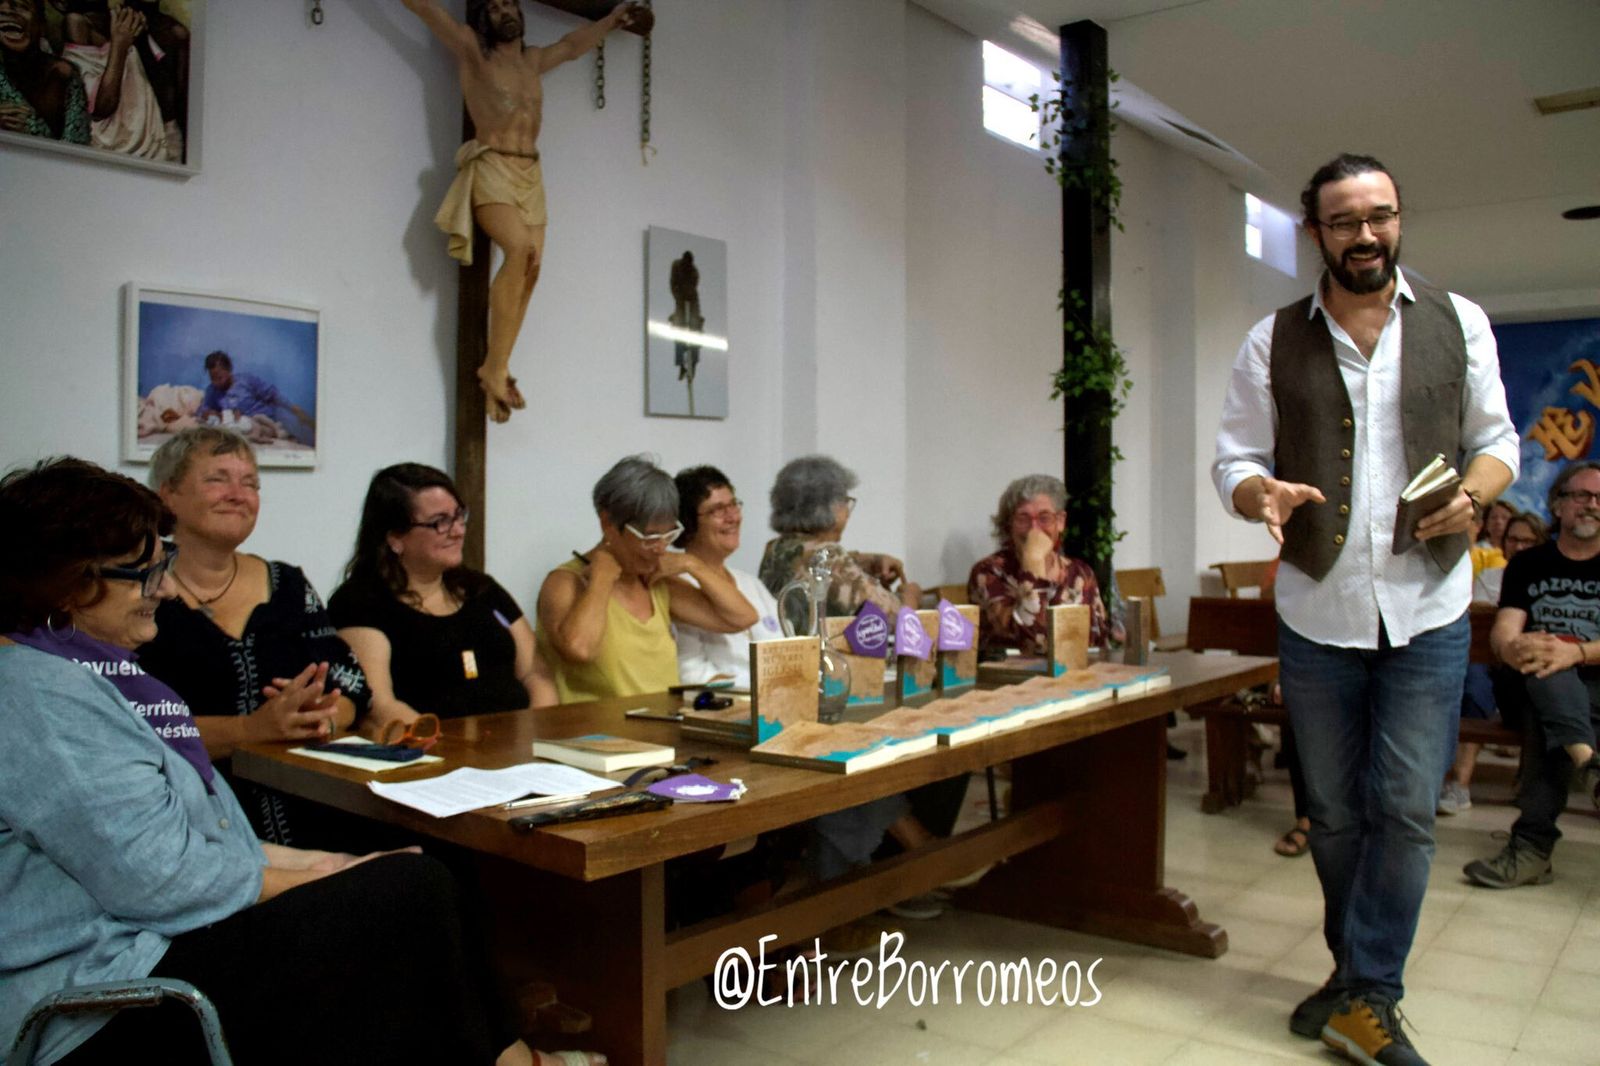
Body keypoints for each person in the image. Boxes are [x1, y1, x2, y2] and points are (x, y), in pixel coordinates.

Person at [0, 457, 547, 1066]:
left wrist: (344, 865)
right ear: (70, 584)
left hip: (158, 942)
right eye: (144, 571)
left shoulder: (89, 676)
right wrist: (330, 876)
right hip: (109, 997)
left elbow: (209, 840)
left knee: (414, 878)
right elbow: (163, 881)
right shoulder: (37, 693)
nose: (161, 586)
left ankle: (508, 1057)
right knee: (411, 892)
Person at [1212, 153, 1517, 1064]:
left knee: (1407, 807)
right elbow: (1232, 459)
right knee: (1335, 811)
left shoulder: (1460, 323)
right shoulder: (1272, 340)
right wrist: (1256, 493)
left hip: (1429, 603)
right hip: (1318, 606)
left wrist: (1474, 492)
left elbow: (1497, 439)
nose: (1366, 235)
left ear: (1398, 219)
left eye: (1379, 216)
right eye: (1344, 221)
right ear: (1316, 233)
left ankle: (1369, 990)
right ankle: (1357, 982)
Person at [400, 0, 650, 423]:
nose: (505, 11)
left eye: (510, 4)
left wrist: (611, 20)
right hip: (493, 163)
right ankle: (494, 368)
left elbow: (572, 45)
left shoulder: (533, 61)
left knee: (532, 269)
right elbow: (428, 11)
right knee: (518, 250)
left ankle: (497, 366)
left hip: (531, 172)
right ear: (486, 19)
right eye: (495, 7)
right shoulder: (472, 52)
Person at [134, 428, 370, 845]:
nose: (238, 494)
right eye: (217, 479)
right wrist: (249, 730)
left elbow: (352, 681)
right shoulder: (136, 594)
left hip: (315, 809)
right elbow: (126, 727)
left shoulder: (288, 584)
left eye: (250, 483)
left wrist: (321, 716)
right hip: (193, 829)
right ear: (168, 495)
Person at [331, 463, 554, 733]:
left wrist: (538, 736)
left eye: (459, 516)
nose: (458, 530)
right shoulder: (361, 604)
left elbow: (535, 671)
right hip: (433, 757)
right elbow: (379, 707)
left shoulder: (482, 589)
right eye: (440, 522)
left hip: (518, 752)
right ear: (395, 538)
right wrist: (451, 754)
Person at [1464, 464, 1600, 888]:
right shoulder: (1529, 564)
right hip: (1529, 683)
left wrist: (1574, 652)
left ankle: (1532, 850)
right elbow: (1505, 631)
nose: (1592, 504)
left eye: (1599, 498)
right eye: (1581, 495)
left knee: (1552, 703)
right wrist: (1515, 647)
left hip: (1592, 684)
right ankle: (1591, 767)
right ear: (1558, 504)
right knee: (1544, 672)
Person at [536, 455, 756, 703]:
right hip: (597, 737)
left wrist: (691, 564)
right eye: (649, 537)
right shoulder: (565, 582)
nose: (661, 548)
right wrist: (601, 580)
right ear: (607, 522)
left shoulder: (652, 581)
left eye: (669, 534)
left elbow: (742, 617)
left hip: (664, 731)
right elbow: (580, 649)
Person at [1441, 510, 1549, 815]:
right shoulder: (1488, 575)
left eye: (1527, 541)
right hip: (1485, 657)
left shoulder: (1547, 577)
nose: (1518, 547)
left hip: (1529, 666)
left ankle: (1526, 783)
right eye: (1513, 540)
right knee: (1471, 685)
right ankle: (1457, 782)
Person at [758, 454, 922, 629]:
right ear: (828, 508)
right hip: (822, 655)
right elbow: (895, 621)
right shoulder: (831, 559)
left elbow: (806, 560)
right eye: (845, 502)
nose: (848, 512)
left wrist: (865, 560)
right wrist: (911, 597)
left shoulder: (775, 548)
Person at [966, 473, 1115, 659]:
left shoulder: (1080, 573)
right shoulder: (988, 573)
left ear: (1060, 522)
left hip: (1077, 679)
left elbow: (1100, 644)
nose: (1033, 529)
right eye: (1023, 518)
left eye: (1044, 518)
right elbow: (1034, 645)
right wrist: (1033, 563)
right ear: (1008, 525)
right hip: (1011, 682)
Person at [671, 465, 783, 687]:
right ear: (689, 525)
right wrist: (760, 692)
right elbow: (692, 674)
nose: (732, 517)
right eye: (717, 510)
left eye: (733, 504)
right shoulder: (679, 587)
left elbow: (786, 649)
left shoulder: (751, 583)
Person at [57, 0, 172, 159]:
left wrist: (141, 37)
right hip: (110, 150)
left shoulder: (120, 17)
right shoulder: (76, 22)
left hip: (149, 144)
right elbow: (101, 108)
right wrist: (120, 44)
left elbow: (163, 94)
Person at [0, 0, 90, 143]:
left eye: (21, 6)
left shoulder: (63, 75)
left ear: (41, 26)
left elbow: (77, 146)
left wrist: (31, 130)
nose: (8, 12)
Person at [194, 350, 314, 442]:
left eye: (219, 377)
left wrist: (292, 408)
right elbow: (202, 409)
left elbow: (272, 394)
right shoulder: (212, 390)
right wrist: (210, 413)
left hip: (268, 416)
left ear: (229, 369)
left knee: (294, 422)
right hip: (248, 424)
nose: (216, 382)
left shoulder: (246, 381)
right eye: (212, 378)